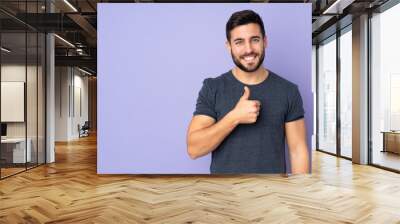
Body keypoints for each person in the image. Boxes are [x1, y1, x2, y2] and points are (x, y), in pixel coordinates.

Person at [186, 10, 309, 174]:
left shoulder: (288, 91)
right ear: (228, 46)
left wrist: (298, 196)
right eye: (239, 42)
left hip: (271, 196)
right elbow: (194, 149)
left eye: (255, 40)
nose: (248, 49)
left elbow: (298, 151)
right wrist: (234, 117)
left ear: (265, 41)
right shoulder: (212, 88)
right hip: (223, 197)